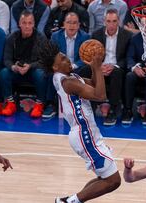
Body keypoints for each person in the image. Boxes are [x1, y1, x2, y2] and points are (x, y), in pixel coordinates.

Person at [39, 41, 121, 203]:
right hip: (85, 134)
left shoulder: (68, 77)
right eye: (62, 59)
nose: (68, 60)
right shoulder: (68, 82)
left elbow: (95, 85)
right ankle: (70, 202)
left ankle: (69, 200)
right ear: (55, 67)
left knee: (104, 178)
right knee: (113, 181)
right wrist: (97, 67)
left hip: (86, 133)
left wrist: (94, 67)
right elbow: (100, 96)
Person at [0, 10, 48, 118]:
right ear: (19, 24)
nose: (27, 26)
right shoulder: (12, 38)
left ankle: (40, 104)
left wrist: (30, 66)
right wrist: (13, 67)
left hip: (32, 71)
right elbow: (6, 59)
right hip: (17, 71)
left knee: (41, 73)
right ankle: (10, 103)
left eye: (30, 23)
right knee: (4, 73)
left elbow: (44, 60)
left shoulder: (41, 38)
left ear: (34, 24)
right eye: (24, 23)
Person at [92, 8, 132, 126]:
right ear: (104, 21)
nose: (111, 24)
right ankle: (87, 109)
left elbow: (127, 57)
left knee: (117, 73)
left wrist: (114, 66)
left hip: (117, 67)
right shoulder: (96, 34)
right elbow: (92, 56)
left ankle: (113, 109)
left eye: (114, 21)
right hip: (101, 66)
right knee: (85, 70)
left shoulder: (127, 35)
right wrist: (99, 67)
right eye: (108, 21)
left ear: (119, 21)